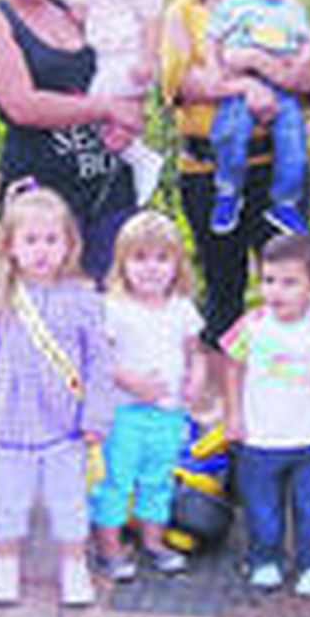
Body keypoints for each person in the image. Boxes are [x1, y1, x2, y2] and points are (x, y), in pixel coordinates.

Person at [161, 0, 310, 399]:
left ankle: (287, 401)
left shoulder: (283, 6)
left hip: (274, 170)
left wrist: (264, 71)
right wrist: (245, 87)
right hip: (210, 171)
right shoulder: (185, 13)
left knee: (291, 284)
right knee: (224, 289)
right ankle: (220, 411)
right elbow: (182, 79)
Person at [0, 186, 115, 608]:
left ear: (69, 244)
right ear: (11, 246)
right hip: (9, 421)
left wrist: (96, 415)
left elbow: (99, 363)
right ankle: (5, 565)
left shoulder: (85, 298)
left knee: (69, 502)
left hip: (66, 424)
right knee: (8, 502)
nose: (42, 250)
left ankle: (74, 565)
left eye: (52, 240)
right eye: (31, 240)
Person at [0, 0, 140, 279]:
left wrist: (129, 114)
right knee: (50, 308)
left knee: (114, 303)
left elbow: (123, 65)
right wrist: (107, 108)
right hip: (43, 198)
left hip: (108, 185)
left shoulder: (74, 11)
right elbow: (22, 105)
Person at [224, 233, 310, 597]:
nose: (276, 291)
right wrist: (234, 415)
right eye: (269, 280)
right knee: (262, 508)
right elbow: (233, 365)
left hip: (308, 438)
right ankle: (265, 559)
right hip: (260, 437)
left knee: (309, 508)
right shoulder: (252, 326)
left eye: (290, 283)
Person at [90, 210, 202, 581]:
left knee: (158, 479)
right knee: (116, 482)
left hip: (169, 413)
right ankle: (109, 547)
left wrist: (195, 381)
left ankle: (153, 541)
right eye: (139, 258)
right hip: (124, 414)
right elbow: (99, 360)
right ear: (122, 263)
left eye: (161, 258)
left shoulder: (182, 308)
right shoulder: (115, 308)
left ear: (177, 264)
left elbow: (194, 352)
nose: (151, 268)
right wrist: (131, 382)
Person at [207, 0, 310, 237]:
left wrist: (303, 59)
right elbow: (213, 40)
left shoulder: (293, 9)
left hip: (283, 88)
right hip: (242, 82)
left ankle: (284, 202)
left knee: (293, 143)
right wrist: (218, 70)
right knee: (230, 134)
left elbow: (307, 42)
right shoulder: (235, 6)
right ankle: (228, 192)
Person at [75, 0, 166, 204]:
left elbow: (153, 20)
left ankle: (141, 158)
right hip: (103, 57)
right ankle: (129, 154)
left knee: (95, 104)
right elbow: (81, 9)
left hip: (127, 59)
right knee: (107, 120)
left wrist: (147, 59)